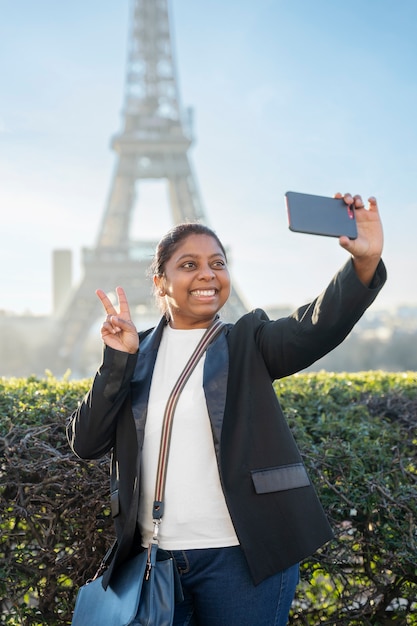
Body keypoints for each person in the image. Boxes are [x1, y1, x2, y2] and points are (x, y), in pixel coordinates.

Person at [67, 192, 386, 626]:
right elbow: (86, 442)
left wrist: (362, 264)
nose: (207, 274)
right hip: (154, 559)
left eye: (217, 263)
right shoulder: (135, 354)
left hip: (242, 561)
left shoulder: (248, 342)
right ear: (160, 282)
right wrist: (117, 361)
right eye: (189, 264)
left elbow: (315, 327)